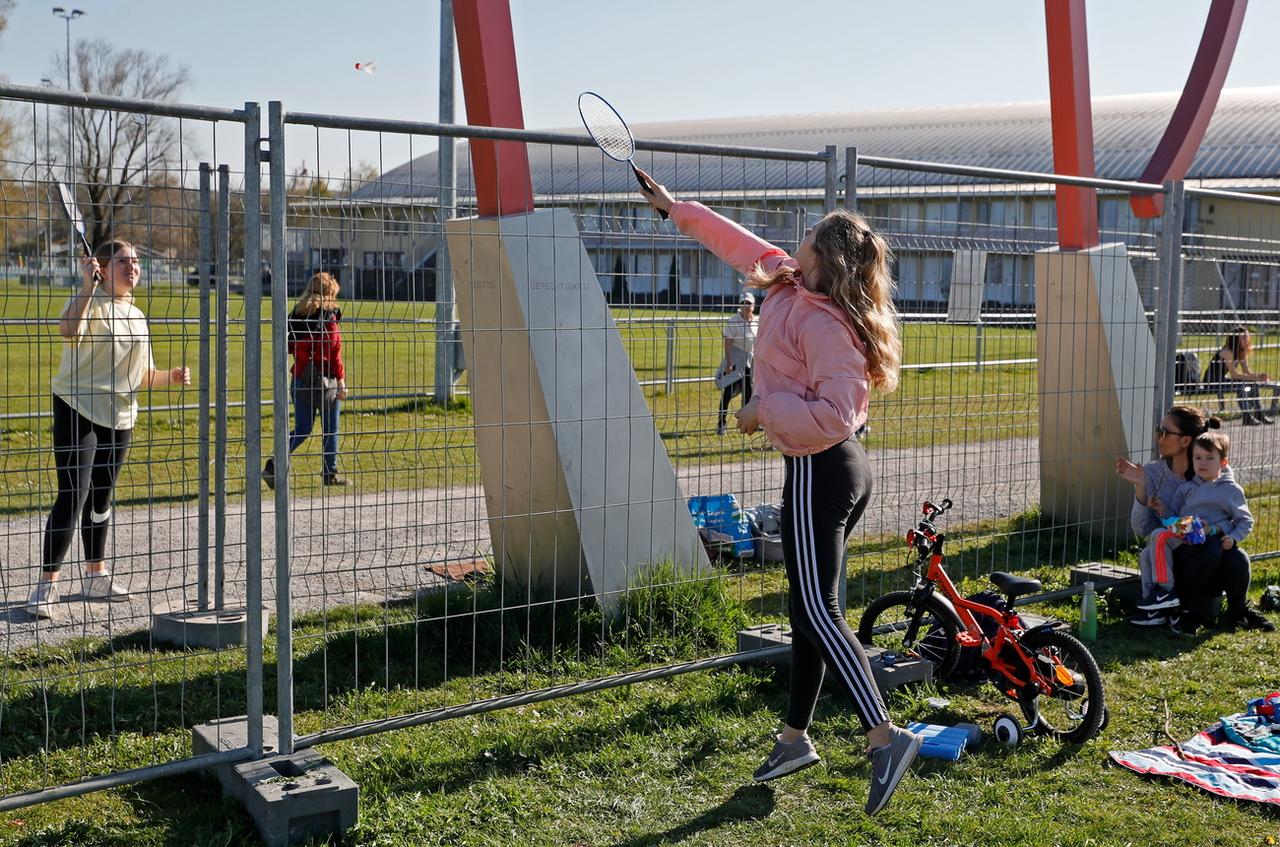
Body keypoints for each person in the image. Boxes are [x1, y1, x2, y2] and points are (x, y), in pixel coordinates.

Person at [634, 168, 921, 815]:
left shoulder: (825, 326)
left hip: (826, 466)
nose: (798, 243)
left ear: (829, 259)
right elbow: (737, 244)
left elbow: (839, 412)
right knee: (805, 616)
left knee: (819, 613)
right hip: (817, 469)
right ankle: (794, 738)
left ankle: (884, 737)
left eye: (810, 238)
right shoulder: (789, 280)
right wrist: (674, 208)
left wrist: (764, 407)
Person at [27, 241, 191, 618]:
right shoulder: (89, 302)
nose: (132, 267)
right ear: (102, 267)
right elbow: (67, 331)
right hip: (78, 408)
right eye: (122, 261)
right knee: (74, 494)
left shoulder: (137, 314)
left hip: (120, 416)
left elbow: (143, 375)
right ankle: (45, 585)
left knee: (101, 498)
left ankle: (95, 576)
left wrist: (174, 376)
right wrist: (87, 287)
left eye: (135, 261)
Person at [1116, 406, 1273, 634]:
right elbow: (1143, 528)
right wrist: (1141, 488)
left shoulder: (1217, 473)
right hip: (1178, 558)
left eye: (1164, 431)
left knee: (1238, 557)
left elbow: (1235, 516)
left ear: (1185, 441)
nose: (1158, 436)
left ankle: (1238, 611)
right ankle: (1183, 610)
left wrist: (1221, 530)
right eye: (1158, 430)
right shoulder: (1154, 472)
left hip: (1209, 552)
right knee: (1208, 547)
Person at [1130, 431, 1253, 626]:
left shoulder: (1230, 489)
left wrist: (1233, 536)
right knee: (1149, 550)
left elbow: (1245, 520)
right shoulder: (1186, 488)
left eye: (1209, 458)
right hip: (1188, 530)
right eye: (1197, 458)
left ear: (1223, 463)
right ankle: (1155, 608)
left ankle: (1165, 590)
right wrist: (1161, 510)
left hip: (1207, 536)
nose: (1202, 463)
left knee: (1158, 536)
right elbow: (1175, 518)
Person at [263, 272, 350, 488]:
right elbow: (334, 352)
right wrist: (341, 381)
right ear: (329, 295)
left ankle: (274, 463)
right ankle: (330, 473)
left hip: (300, 379)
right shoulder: (329, 319)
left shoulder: (297, 315)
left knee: (302, 428)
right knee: (331, 428)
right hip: (326, 382)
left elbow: (289, 346)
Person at [1204, 325, 1279, 425]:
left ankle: (1258, 413)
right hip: (1212, 382)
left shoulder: (1241, 352)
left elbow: (1247, 372)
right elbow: (1234, 375)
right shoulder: (1226, 352)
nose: (1247, 340)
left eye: (1247, 337)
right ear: (1235, 339)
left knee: (1254, 383)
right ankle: (1246, 416)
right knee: (1241, 385)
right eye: (1243, 338)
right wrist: (1255, 377)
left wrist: (1259, 376)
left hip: (1223, 379)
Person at [714, 290, 757, 435]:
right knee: (728, 392)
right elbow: (728, 342)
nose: (746, 306)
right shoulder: (733, 320)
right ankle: (721, 423)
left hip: (749, 362)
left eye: (749, 303)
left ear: (753, 305)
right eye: (743, 303)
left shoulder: (757, 321)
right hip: (735, 359)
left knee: (749, 393)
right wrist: (729, 362)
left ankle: (746, 424)